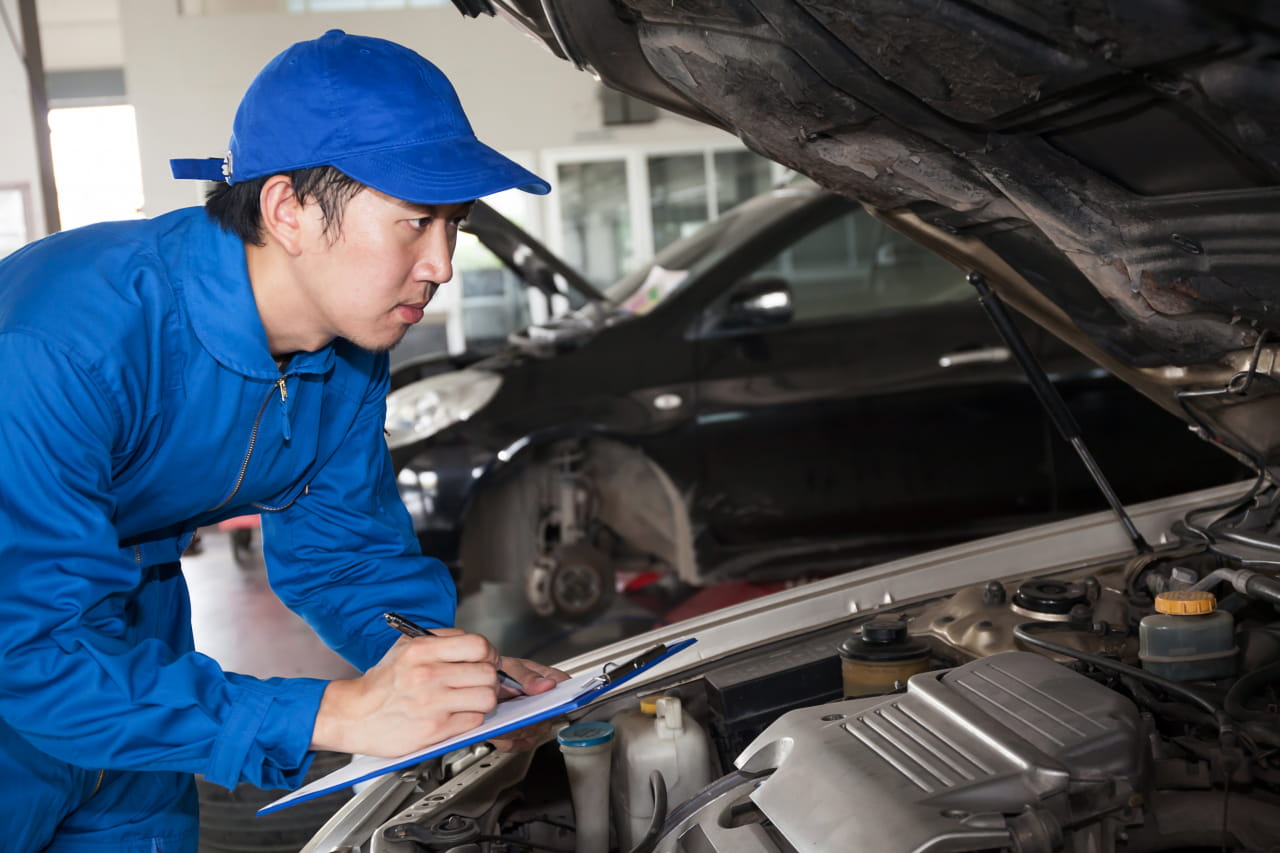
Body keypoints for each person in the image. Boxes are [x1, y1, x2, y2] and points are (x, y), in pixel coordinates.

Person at [0, 29, 569, 852]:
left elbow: (345, 558)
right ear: (288, 209)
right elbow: (32, 651)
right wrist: (340, 711)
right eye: (414, 222)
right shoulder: (60, 343)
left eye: (457, 223)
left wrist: (452, 675)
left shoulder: (345, 355)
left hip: (132, 650)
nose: (442, 263)